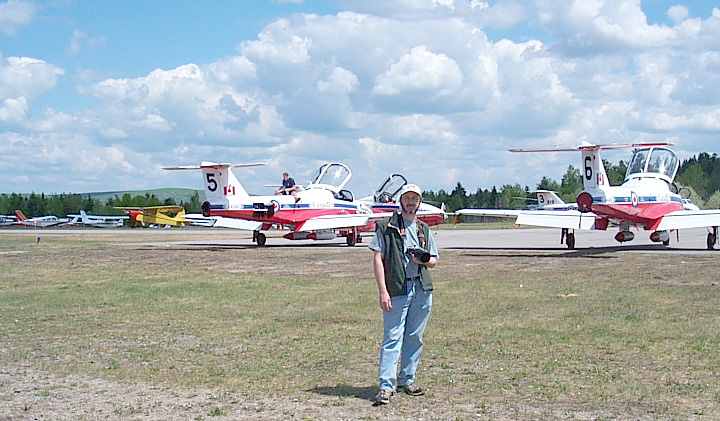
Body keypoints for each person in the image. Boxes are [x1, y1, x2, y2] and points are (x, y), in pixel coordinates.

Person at [368, 183, 439, 406]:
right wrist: (383, 291)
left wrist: (423, 260)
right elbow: (378, 259)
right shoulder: (386, 226)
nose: (410, 202)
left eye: (414, 199)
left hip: (421, 290)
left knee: (414, 337)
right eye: (407, 198)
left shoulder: (423, 229)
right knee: (392, 338)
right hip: (397, 289)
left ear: (419, 203)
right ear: (400, 201)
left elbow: (434, 260)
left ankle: (407, 380)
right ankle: (386, 386)